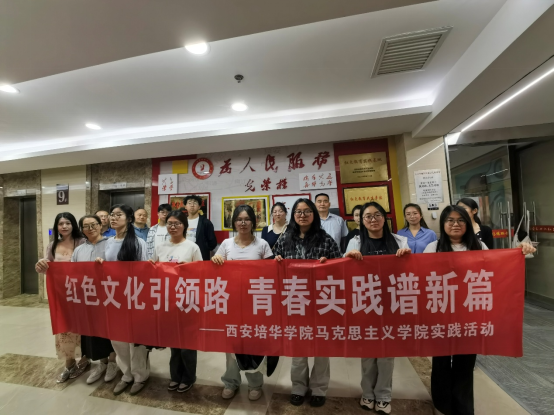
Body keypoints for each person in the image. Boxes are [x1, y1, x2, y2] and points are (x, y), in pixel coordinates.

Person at [423, 205, 535, 416]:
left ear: (467, 223)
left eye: (460, 220)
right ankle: (442, 406)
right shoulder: (433, 247)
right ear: (443, 224)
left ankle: (463, 407)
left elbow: (496, 269)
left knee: (465, 363)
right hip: (442, 313)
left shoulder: (479, 246)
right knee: (441, 363)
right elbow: (422, 278)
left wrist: (519, 251)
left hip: (470, 313)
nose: (455, 224)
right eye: (450, 220)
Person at [273, 198, 342, 408]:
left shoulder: (326, 239)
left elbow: (339, 267)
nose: (302, 215)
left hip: (322, 301)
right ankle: (298, 387)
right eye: (298, 212)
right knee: (298, 347)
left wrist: (328, 265)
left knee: (321, 348)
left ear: (313, 214)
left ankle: (319, 388)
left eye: (306, 211)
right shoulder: (285, 238)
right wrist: (276, 261)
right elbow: (272, 264)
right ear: (293, 215)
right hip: (295, 300)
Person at [344, 202, 411, 415]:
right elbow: (344, 272)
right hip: (366, 304)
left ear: (384, 217)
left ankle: (383, 396)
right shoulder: (355, 242)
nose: (373, 219)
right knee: (368, 353)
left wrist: (407, 257)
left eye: (377, 215)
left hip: (392, 304)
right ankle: (367, 393)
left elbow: (413, 270)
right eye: (368, 216)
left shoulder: (400, 241)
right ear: (362, 221)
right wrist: (349, 258)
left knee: (386, 354)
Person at [212, 205, 274, 402]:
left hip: (255, 304)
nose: (243, 223)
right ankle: (231, 382)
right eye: (239, 219)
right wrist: (215, 259)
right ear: (234, 222)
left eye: (247, 219)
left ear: (253, 222)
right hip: (231, 303)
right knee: (231, 345)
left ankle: (255, 384)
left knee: (253, 344)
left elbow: (272, 272)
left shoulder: (262, 244)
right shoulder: (226, 244)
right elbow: (216, 270)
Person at [149, 210, 202, 394]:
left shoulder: (192, 247)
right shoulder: (160, 247)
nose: (173, 227)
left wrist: (188, 269)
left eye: (177, 223)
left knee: (187, 344)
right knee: (174, 343)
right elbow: (153, 271)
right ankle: (175, 376)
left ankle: (188, 378)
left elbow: (201, 274)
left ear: (184, 226)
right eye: (170, 223)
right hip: (168, 301)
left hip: (187, 302)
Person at [99, 204, 150, 396]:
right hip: (113, 297)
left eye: (118, 215)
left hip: (134, 297)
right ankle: (126, 374)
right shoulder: (107, 242)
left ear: (129, 219)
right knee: (118, 339)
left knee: (135, 341)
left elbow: (144, 272)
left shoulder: (138, 243)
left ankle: (140, 375)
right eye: (112, 215)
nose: (113, 218)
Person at [35, 213, 87, 383]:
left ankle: (85, 359)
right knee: (65, 329)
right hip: (61, 294)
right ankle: (69, 364)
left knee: (82, 328)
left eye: (67, 223)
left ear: (73, 225)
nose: (64, 226)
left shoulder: (82, 242)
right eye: (60, 223)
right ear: (56, 226)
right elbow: (48, 269)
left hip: (81, 294)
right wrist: (41, 265)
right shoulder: (52, 245)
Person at [71, 215, 119, 385]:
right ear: (82, 230)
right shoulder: (79, 250)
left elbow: (120, 267)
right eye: (86, 226)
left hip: (109, 297)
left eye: (93, 225)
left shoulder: (111, 244)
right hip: (88, 299)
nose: (90, 229)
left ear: (100, 226)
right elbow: (72, 273)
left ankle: (113, 362)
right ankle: (102, 363)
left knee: (110, 331)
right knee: (93, 333)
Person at [183, 195, 217, 260]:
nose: (192, 205)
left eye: (195, 203)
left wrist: (203, 248)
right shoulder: (181, 222)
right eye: (189, 203)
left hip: (201, 256)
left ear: (199, 207)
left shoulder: (206, 222)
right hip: (184, 254)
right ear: (185, 206)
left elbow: (212, 243)